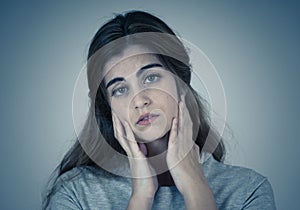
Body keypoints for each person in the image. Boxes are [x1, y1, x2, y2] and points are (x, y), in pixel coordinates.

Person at [42, 10, 276, 210]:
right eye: (120, 89)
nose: (139, 100)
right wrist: (141, 197)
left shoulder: (248, 190)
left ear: (181, 83)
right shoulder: (76, 194)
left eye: (151, 77)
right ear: (108, 106)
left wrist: (195, 185)